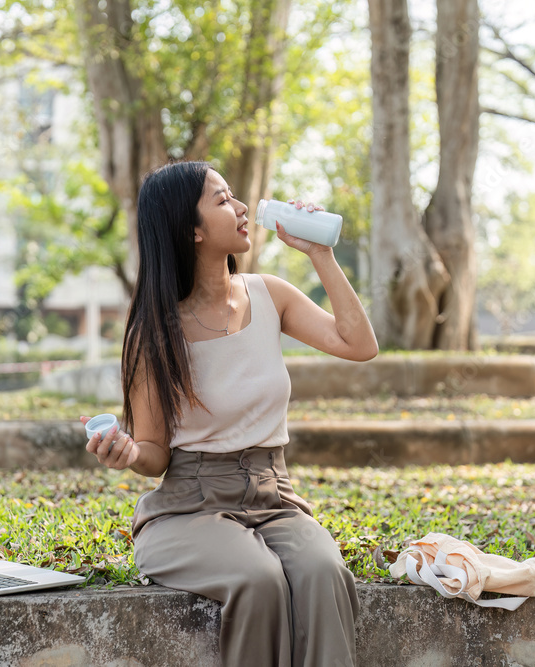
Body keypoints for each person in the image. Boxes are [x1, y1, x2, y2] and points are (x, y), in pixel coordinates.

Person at [80, 161, 379, 667]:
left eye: (234, 196)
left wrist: (320, 254)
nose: (241, 208)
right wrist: (129, 452)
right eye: (221, 200)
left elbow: (359, 344)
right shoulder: (154, 332)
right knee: (258, 579)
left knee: (324, 571)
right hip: (189, 509)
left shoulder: (270, 296)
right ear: (190, 230)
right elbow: (154, 457)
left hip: (274, 497)